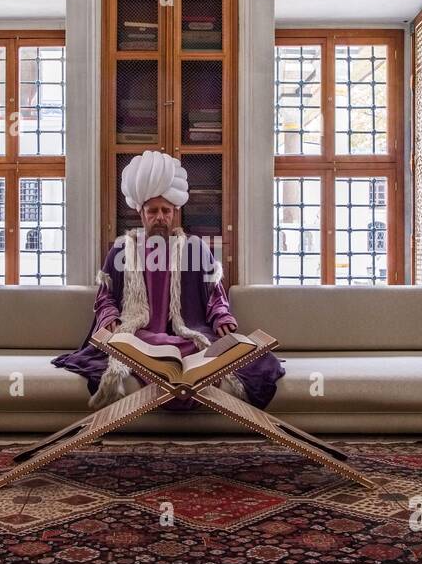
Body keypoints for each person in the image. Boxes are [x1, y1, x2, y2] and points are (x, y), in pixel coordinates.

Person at [53, 150, 285, 410]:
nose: (160, 217)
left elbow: (214, 293)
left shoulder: (195, 248)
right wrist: (110, 319)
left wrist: (221, 317)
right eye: (153, 211)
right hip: (140, 337)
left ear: (175, 212)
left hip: (188, 333)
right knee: (138, 348)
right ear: (141, 213)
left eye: (166, 210)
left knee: (258, 360)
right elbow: (105, 296)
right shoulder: (121, 250)